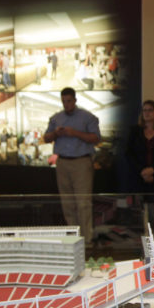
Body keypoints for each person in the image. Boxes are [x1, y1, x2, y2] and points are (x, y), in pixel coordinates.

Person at [44, 87, 100, 241]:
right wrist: (56, 133)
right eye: (63, 101)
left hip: (81, 162)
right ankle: (74, 238)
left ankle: (87, 239)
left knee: (83, 203)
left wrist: (74, 133)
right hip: (62, 162)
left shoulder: (87, 117)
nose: (66, 104)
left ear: (75, 100)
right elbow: (46, 137)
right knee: (67, 203)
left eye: (69, 101)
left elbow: (96, 138)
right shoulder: (56, 118)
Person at [125, 100, 154, 237]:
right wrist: (143, 171)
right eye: (144, 110)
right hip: (137, 178)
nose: (147, 113)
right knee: (137, 214)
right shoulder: (134, 131)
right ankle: (138, 247)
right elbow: (128, 154)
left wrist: (152, 170)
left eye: (150, 110)